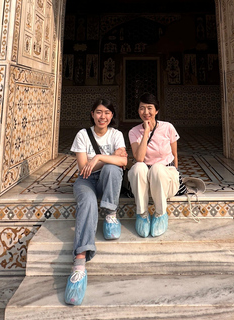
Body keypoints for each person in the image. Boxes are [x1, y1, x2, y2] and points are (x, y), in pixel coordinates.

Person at [65, 97, 128, 306]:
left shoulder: (117, 134)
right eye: (99, 112)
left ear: (112, 116)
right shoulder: (83, 134)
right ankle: (80, 264)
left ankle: (110, 214)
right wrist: (109, 157)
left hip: (105, 179)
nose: (103, 116)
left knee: (113, 169)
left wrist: (99, 158)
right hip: (86, 182)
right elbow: (84, 168)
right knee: (89, 203)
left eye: (107, 113)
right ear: (92, 114)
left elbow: (124, 162)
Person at [128, 92, 180, 238]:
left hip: (165, 179)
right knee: (138, 167)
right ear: (138, 111)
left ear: (156, 110)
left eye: (149, 108)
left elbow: (175, 155)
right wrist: (146, 133)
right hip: (145, 184)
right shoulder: (134, 132)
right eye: (142, 108)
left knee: (157, 168)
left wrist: (175, 173)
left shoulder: (168, 127)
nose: (146, 112)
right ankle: (142, 214)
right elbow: (139, 158)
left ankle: (160, 213)